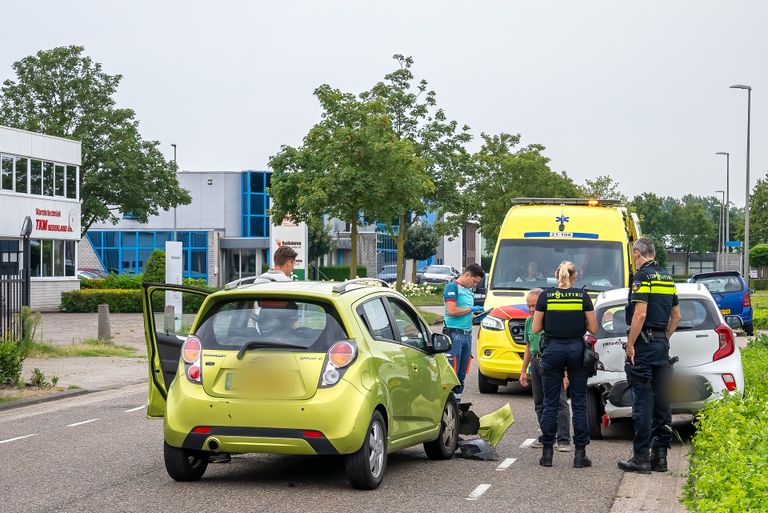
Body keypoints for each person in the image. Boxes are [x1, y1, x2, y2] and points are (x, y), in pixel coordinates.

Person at [618, 237, 681, 474]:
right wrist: (664, 337)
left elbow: (640, 314)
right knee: (663, 402)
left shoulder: (642, 277)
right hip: (661, 347)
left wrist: (631, 344)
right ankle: (660, 458)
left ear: (637, 254)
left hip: (643, 346)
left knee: (642, 403)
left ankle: (641, 458)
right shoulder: (667, 277)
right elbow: (676, 316)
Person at [533, 261, 597, 468]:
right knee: (578, 403)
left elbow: (535, 328)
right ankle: (580, 455)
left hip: (552, 350)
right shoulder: (582, 296)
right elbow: (594, 328)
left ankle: (547, 455)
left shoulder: (545, 296)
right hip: (577, 350)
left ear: (556, 275)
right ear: (574, 276)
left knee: (550, 402)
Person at [519, 288, 572, 452]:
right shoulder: (529, 321)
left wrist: (565, 374)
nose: (531, 309)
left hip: (552, 361)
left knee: (560, 402)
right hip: (536, 361)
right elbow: (528, 346)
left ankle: (563, 440)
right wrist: (523, 370)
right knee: (539, 402)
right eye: (529, 306)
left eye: (534, 305)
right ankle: (546, 436)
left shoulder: (553, 321)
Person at [443, 263, 485, 402]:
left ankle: (457, 405)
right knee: (452, 374)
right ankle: (449, 404)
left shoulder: (468, 291)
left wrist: (477, 316)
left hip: (467, 335)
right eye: (474, 281)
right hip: (454, 335)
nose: (474, 285)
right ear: (467, 275)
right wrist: (470, 310)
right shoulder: (452, 287)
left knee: (462, 374)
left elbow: (465, 313)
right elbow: (452, 311)